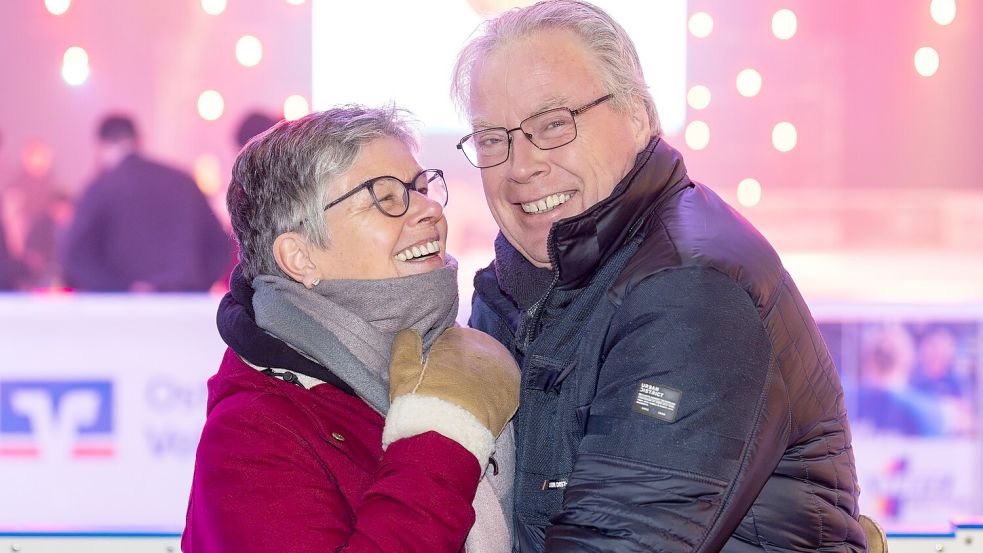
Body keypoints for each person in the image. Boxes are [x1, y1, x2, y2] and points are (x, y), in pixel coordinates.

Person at [451, 1, 865, 550]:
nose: (520, 166)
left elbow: (621, 542)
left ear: (639, 116)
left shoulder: (691, 291)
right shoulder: (516, 288)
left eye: (553, 125)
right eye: (491, 139)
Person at [183, 106, 521, 552]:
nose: (429, 210)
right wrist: (443, 435)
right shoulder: (251, 435)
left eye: (421, 187)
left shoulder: (466, 352)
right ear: (300, 257)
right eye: (384, 196)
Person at [60, 114, 231, 291]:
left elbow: (74, 257)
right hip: (183, 301)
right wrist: (198, 286)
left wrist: (119, 290)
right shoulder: (183, 182)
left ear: (102, 146)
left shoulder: (100, 188)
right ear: (138, 141)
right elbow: (219, 245)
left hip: (124, 310)